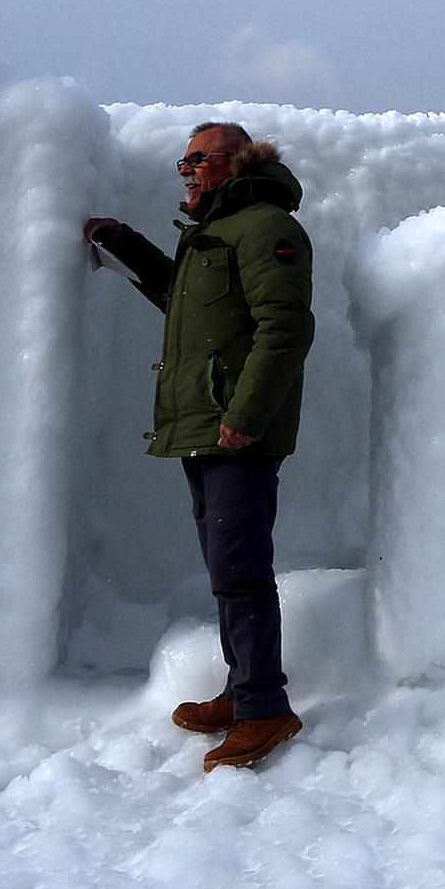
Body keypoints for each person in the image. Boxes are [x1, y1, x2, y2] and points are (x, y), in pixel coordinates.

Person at [85, 121, 314, 772]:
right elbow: (183, 304)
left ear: (237, 160)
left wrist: (245, 415)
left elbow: (286, 329)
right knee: (226, 570)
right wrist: (124, 243)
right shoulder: (213, 234)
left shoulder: (266, 228)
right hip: (206, 428)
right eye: (181, 163)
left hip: (236, 430)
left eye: (199, 160)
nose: (186, 171)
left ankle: (266, 708)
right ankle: (243, 692)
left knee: (241, 571)